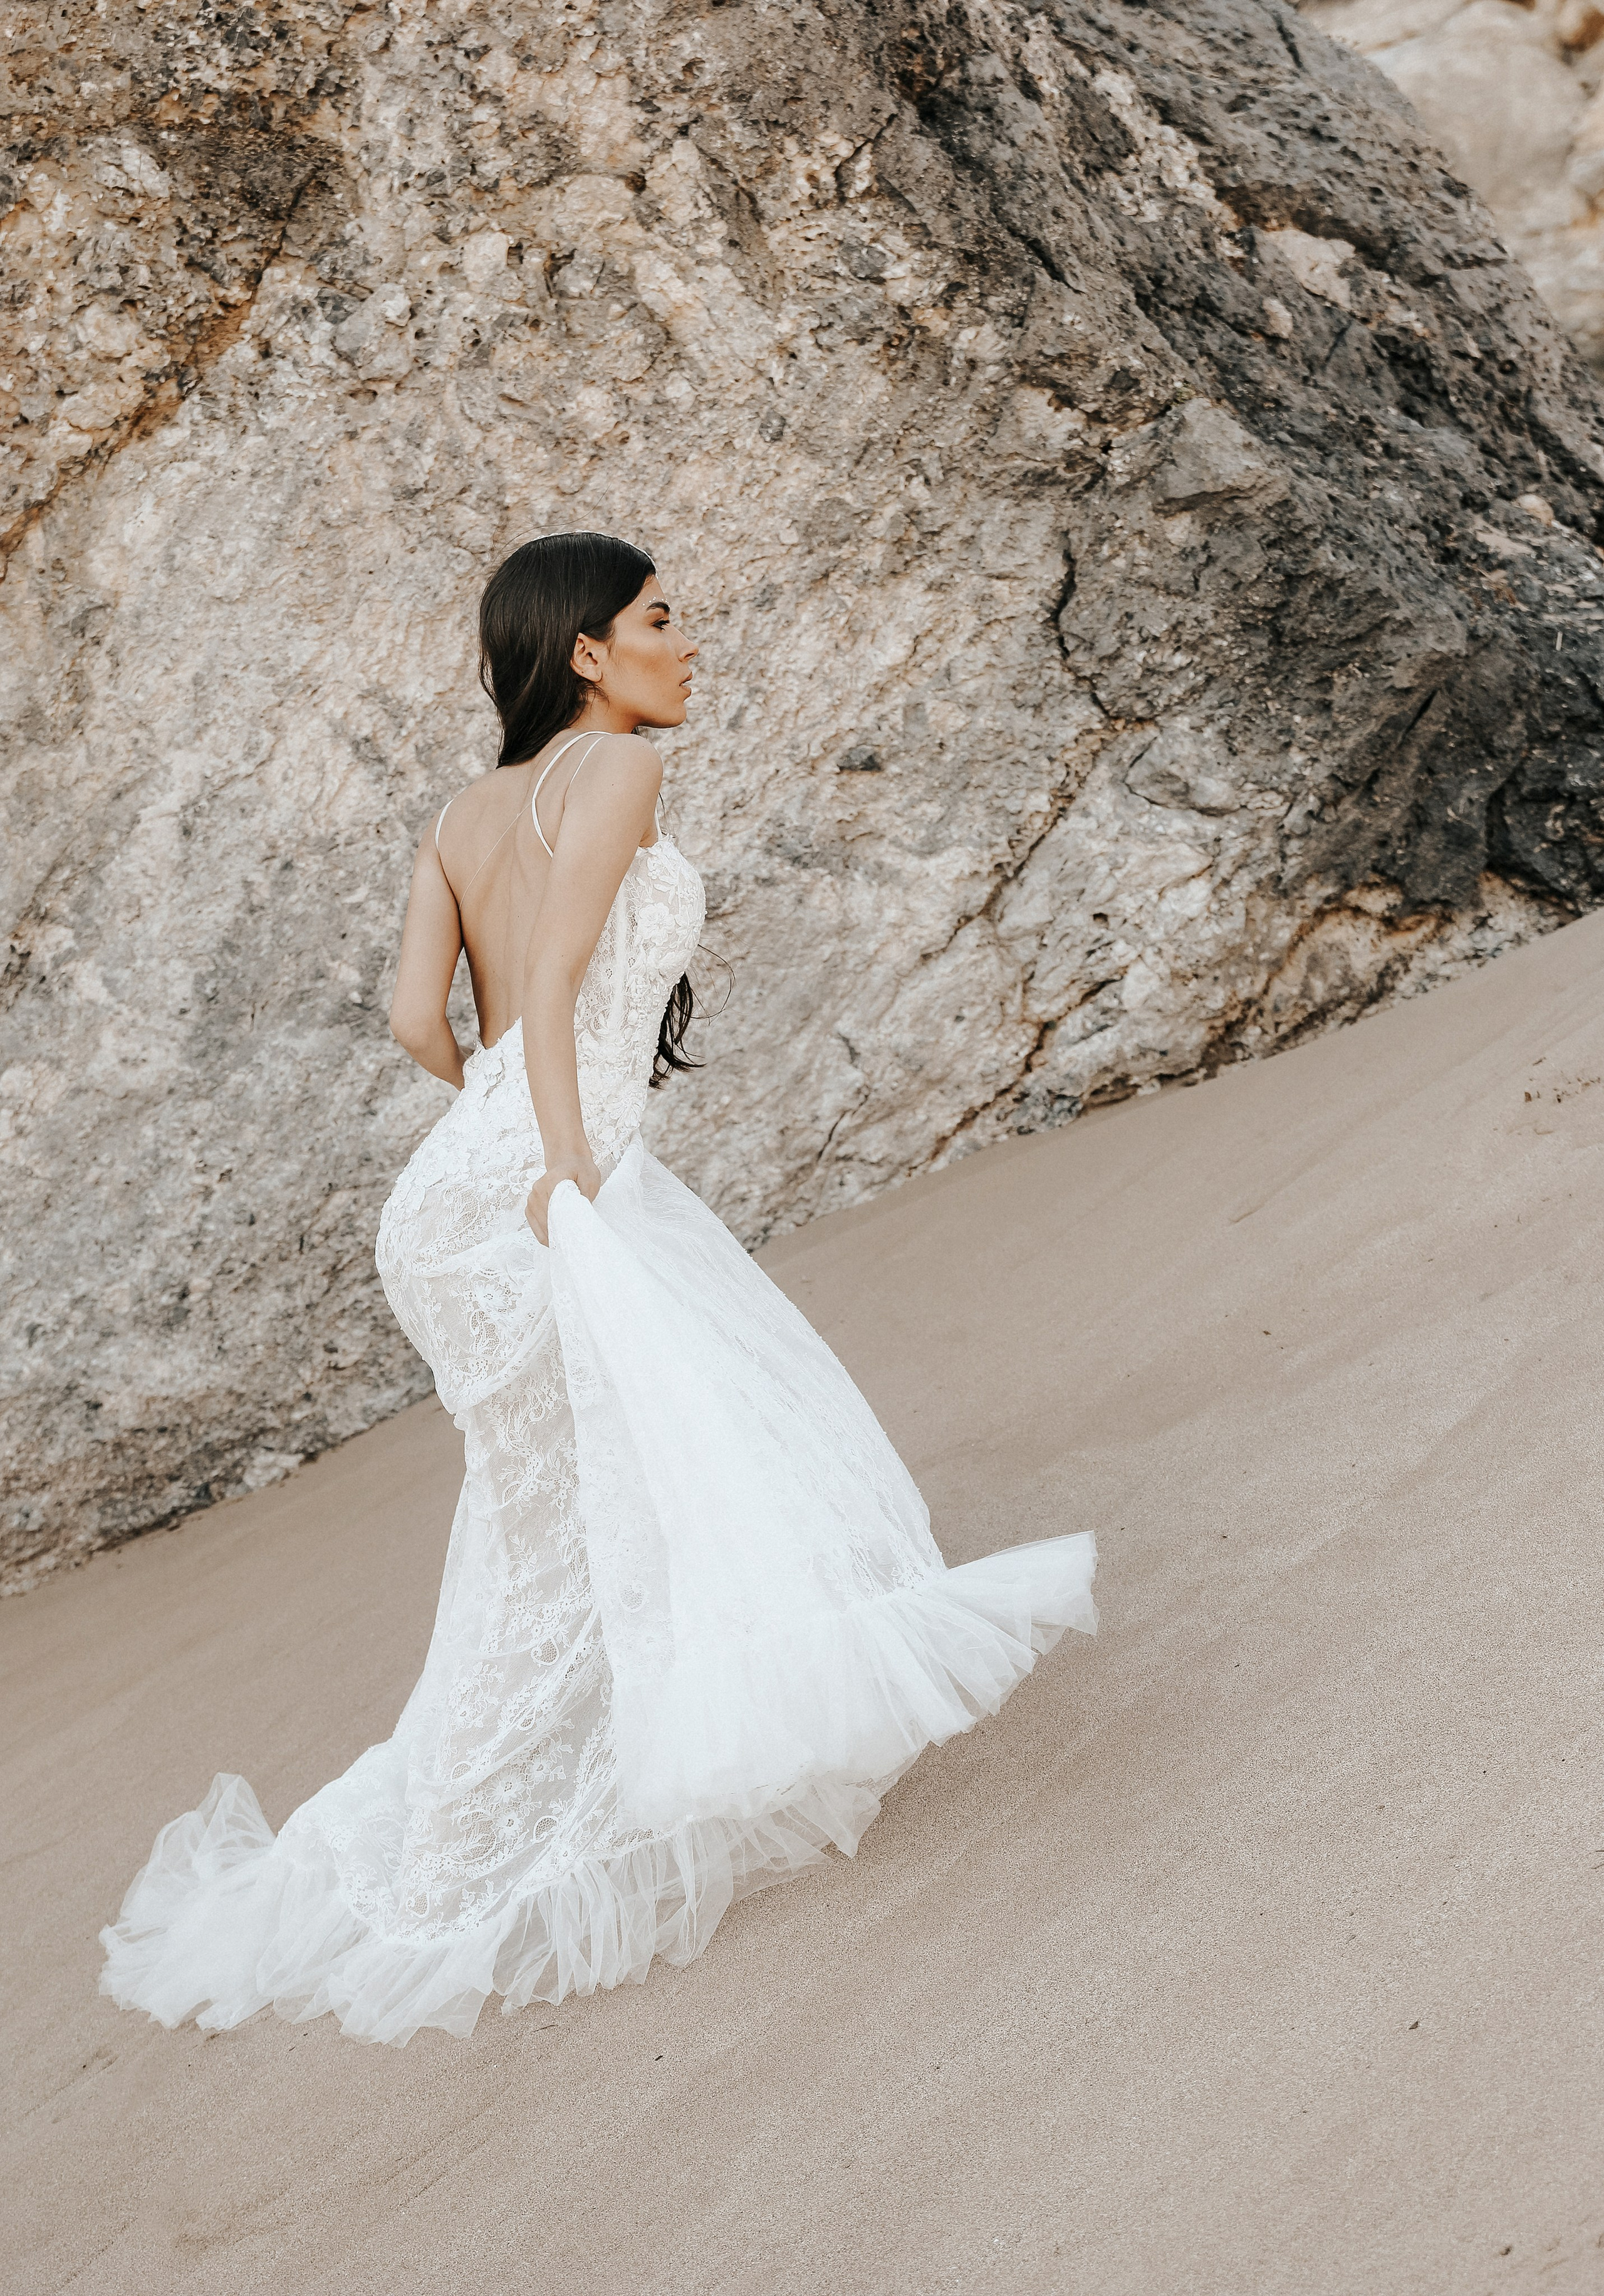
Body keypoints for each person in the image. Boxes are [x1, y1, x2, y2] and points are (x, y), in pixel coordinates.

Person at [100, 532, 1098, 2046]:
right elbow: (560, 983)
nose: (685, 644)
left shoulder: (460, 808)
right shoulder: (616, 774)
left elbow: (411, 1020)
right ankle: (501, 1843)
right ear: (585, 650)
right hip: (541, 1181)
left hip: (447, 1195)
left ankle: (470, 1830)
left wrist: (495, 1124)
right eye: (659, 619)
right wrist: (566, 1161)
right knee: (615, 1495)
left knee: (539, 1520)